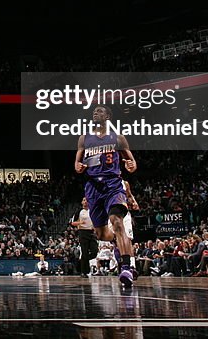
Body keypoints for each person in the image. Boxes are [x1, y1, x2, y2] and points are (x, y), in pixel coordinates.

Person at [75, 105, 137, 288]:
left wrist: (131, 165)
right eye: (94, 111)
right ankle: (121, 241)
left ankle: (126, 267)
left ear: (108, 116)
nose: (96, 113)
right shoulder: (84, 138)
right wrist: (78, 167)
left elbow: (131, 161)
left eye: (100, 111)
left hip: (113, 184)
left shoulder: (118, 138)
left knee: (117, 221)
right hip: (93, 187)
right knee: (102, 234)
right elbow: (77, 164)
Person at [69, 197, 96, 276]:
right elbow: (72, 223)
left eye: (87, 200)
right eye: (84, 200)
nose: (85, 202)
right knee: (84, 252)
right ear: (82, 202)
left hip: (91, 232)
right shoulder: (79, 211)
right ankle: (84, 272)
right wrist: (80, 222)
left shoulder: (92, 210)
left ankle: (83, 261)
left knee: (94, 251)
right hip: (83, 232)